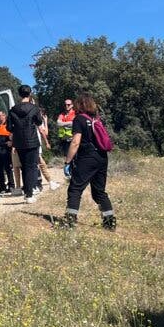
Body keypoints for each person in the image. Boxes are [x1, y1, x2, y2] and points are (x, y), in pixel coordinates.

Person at [62, 92, 115, 230]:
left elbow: (75, 142)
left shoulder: (79, 119)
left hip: (88, 157)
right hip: (102, 157)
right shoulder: (96, 119)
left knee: (75, 189)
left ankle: (69, 222)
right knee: (99, 192)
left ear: (79, 105)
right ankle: (110, 223)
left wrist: (68, 161)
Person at [8, 85, 45, 203]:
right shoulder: (34, 108)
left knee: (24, 166)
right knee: (32, 166)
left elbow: (9, 127)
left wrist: (17, 130)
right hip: (32, 140)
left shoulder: (13, 110)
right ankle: (30, 193)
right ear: (30, 94)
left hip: (19, 141)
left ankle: (27, 191)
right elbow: (39, 122)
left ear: (19, 95)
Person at [0, 110, 14, 193]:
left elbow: (13, 134)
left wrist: (11, 142)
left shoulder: (9, 125)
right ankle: (2, 186)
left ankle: (11, 185)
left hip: (6, 149)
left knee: (8, 168)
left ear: (4, 116)